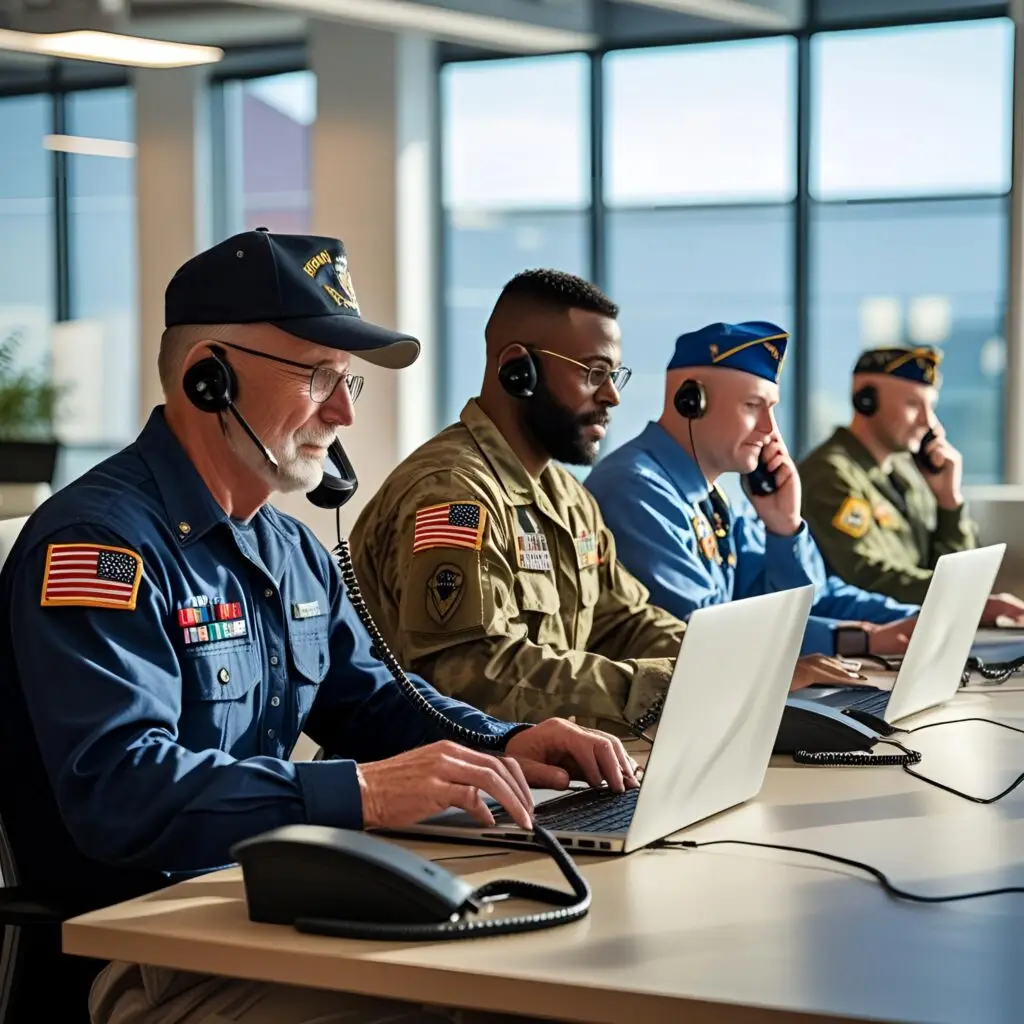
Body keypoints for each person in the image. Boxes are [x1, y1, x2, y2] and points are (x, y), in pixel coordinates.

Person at [0, 232, 640, 1024]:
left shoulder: (291, 549)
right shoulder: (99, 548)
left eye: (348, 381)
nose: (343, 412)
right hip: (150, 951)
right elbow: (122, 790)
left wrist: (507, 741)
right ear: (208, 377)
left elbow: (376, 704)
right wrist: (364, 792)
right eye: (318, 377)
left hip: (264, 912)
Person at [349, 271, 864, 730]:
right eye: (593, 373)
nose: (612, 396)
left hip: (535, 771)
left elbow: (626, 621)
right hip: (449, 782)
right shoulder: (454, 493)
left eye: (614, 376)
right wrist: (682, 684)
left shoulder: (569, 500)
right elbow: (471, 673)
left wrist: (751, 668)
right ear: (517, 370)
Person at [585, 321, 921, 660]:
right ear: (691, 402)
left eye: (771, 409)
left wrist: (784, 527)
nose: (769, 429)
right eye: (752, 405)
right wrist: (854, 640)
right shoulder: (634, 490)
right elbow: (700, 632)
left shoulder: (719, 501)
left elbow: (805, 602)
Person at [799, 345, 1024, 620]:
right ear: (866, 401)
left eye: (931, 407)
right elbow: (866, 578)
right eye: (913, 405)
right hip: (871, 633)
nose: (928, 422)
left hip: (921, 624)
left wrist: (948, 501)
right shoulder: (830, 475)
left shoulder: (908, 471)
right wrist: (962, 598)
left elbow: (952, 568)